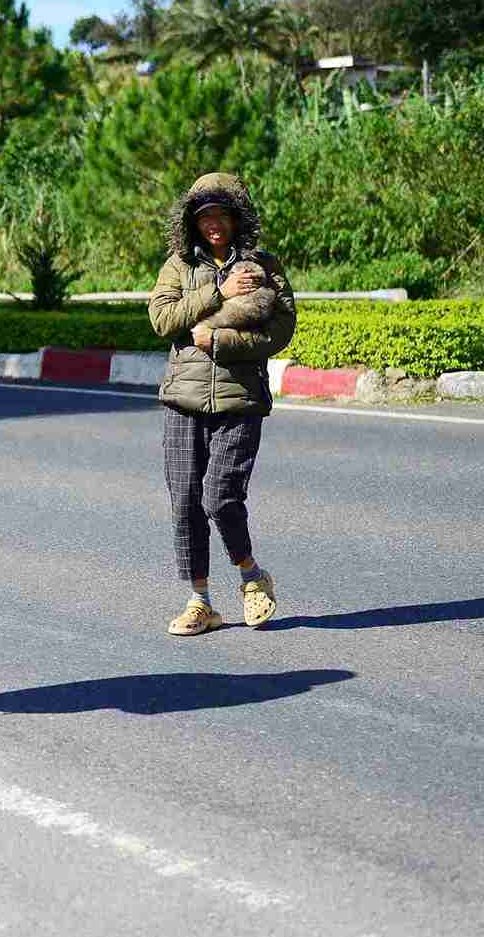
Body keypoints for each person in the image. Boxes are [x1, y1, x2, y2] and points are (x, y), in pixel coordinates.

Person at [147, 172, 296, 636]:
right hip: (182, 400)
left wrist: (220, 339)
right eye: (205, 216)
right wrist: (219, 293)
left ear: (237, 218)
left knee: (221, 497)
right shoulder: (178, 266)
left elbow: (280, 331)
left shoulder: (264, 266)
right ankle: (200, 601)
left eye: (222, 215)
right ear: (193, 221)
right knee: (186, 502)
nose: (214, 224)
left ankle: (251, 575)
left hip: (240, 399)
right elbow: (161, 318)